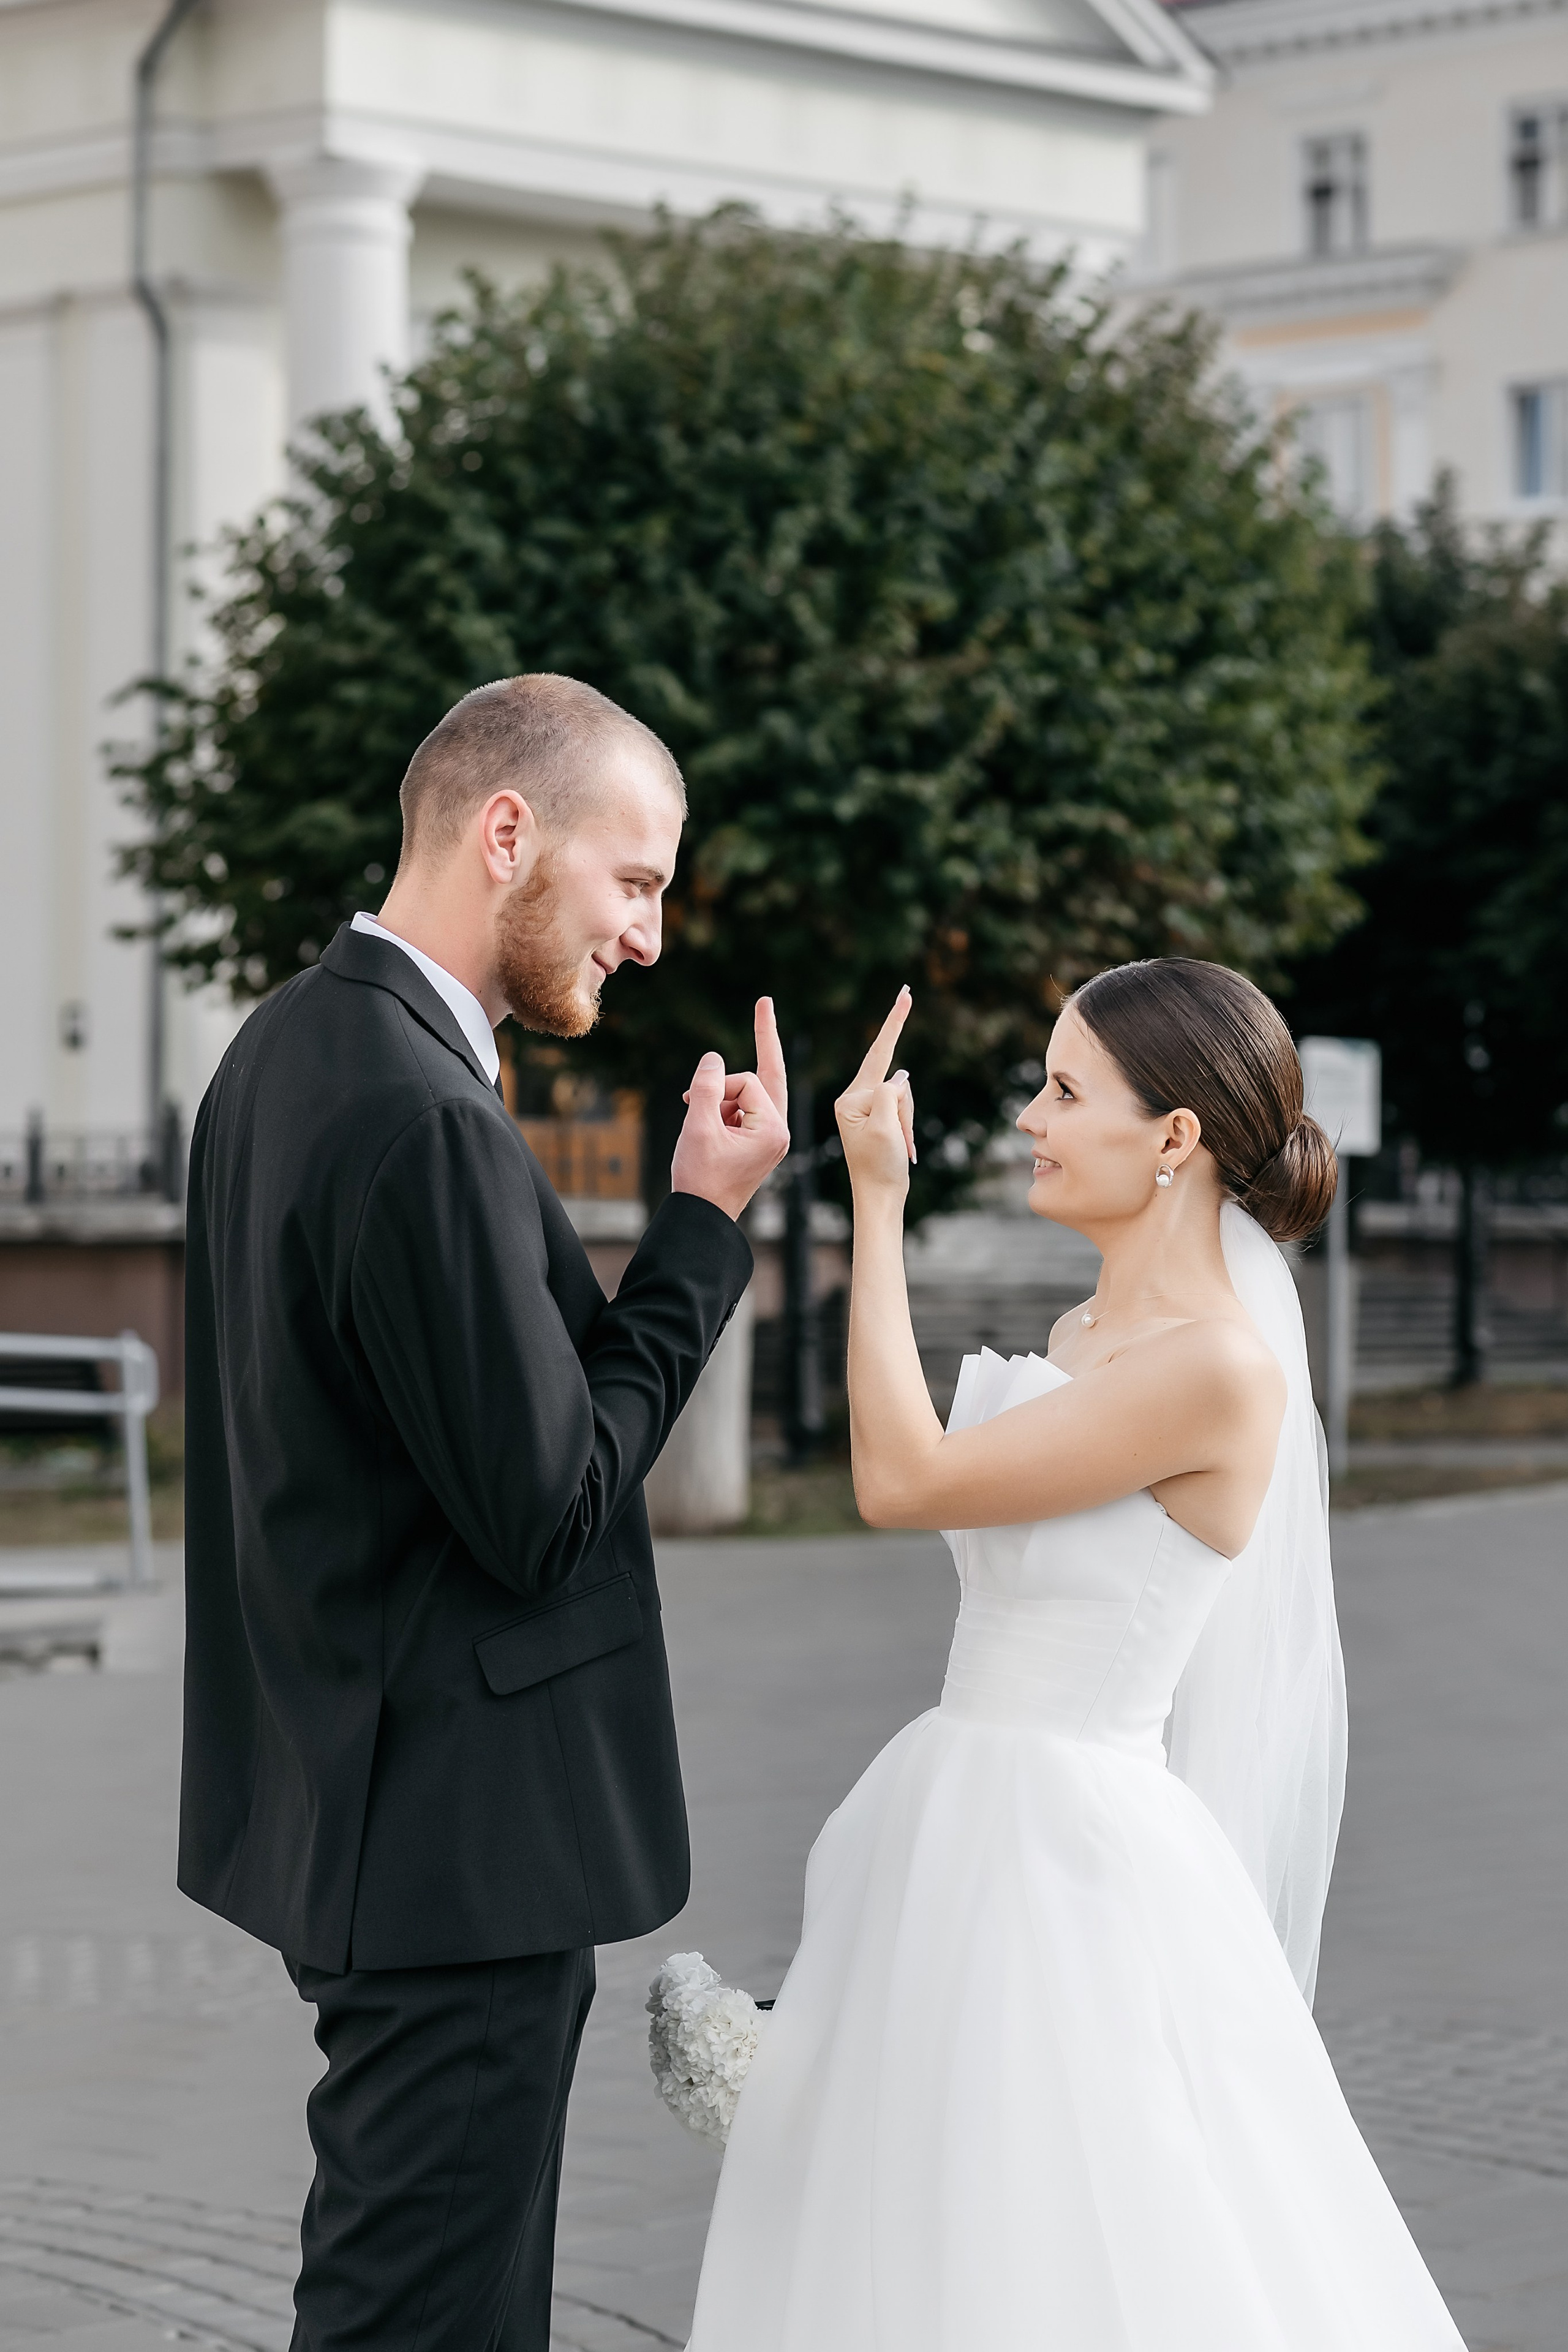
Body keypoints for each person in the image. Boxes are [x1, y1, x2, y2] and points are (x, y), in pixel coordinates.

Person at [685, 958, 1464, 2350]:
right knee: (936, 2241)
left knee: (1064, 2244)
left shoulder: (1216, 1369)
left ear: (1172, 1139)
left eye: (1062, 1089)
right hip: (952, 1824)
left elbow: (901, 1480)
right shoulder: (1081, 1340)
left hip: (1067, 1865)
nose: (1028, 1119)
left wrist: (876, 1198)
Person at [178, 674, 790, 2350]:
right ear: (508, 833)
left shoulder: (285, 1054)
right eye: (638, 881)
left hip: (368, 1813)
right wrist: (700, 1234)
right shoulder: (416, 1115)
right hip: (451, 1855)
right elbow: (546, 1509)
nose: (651, 938)